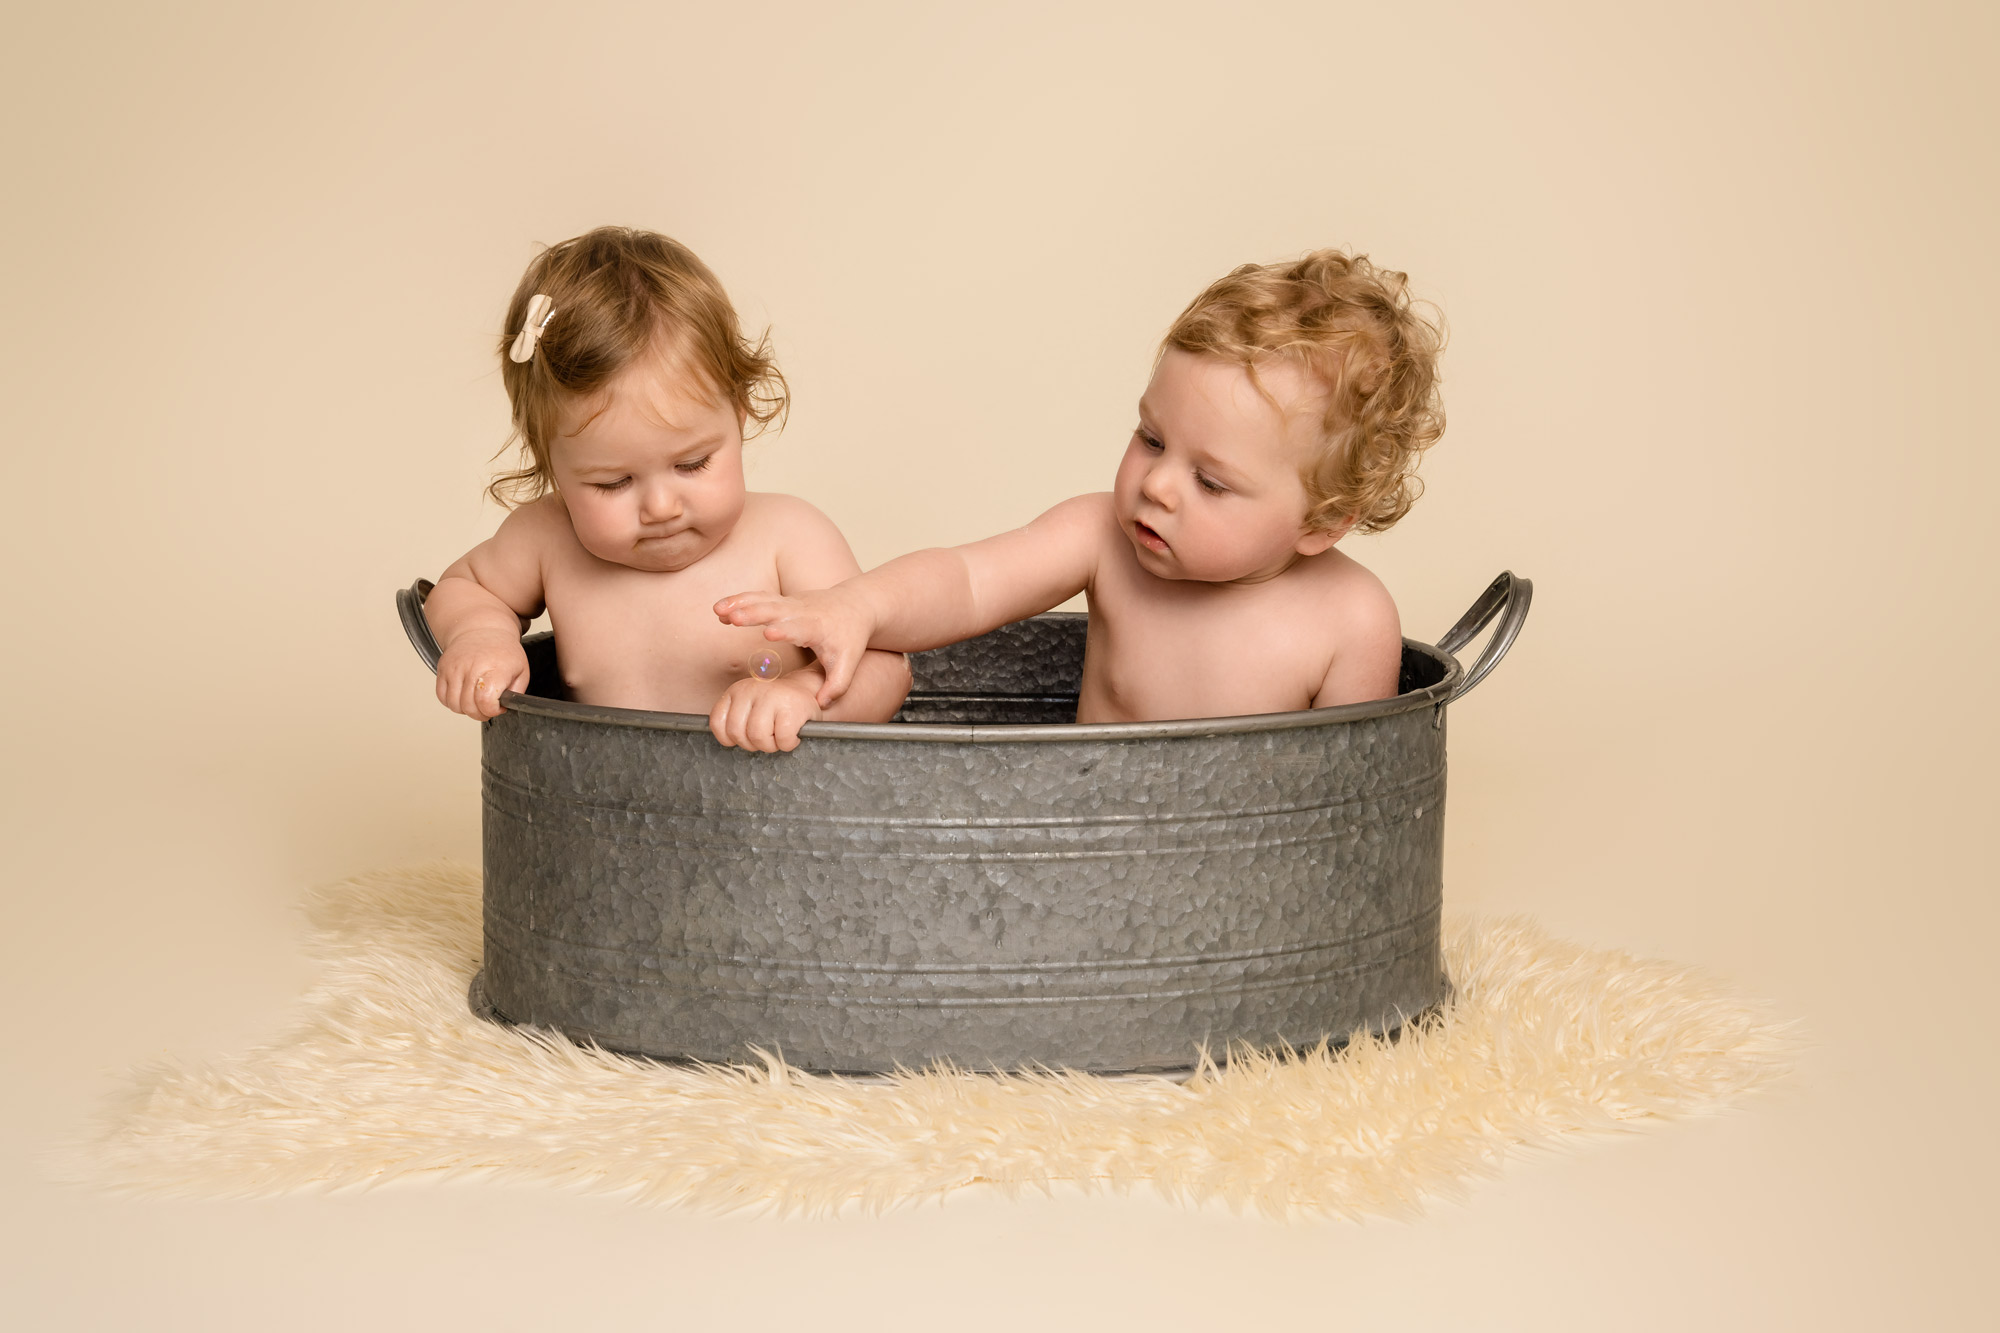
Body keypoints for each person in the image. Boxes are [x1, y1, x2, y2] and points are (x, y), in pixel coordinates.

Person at [715, 251, 1443, 722]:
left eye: (1212, 482)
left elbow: (1353, 808)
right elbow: (968, 581)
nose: (1157, 485)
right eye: (1150, 439)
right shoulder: (1103, 537)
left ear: (1321, 522)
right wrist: (857, 606)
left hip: (1247, 897)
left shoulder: (1351, 620)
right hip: (1084, 866)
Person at [425, 227, 911, 751]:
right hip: (597, 815)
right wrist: (480, 636)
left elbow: (886, 666)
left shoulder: (789, 538)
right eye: (612, 482)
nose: (660, 507)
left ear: (739, 418)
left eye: (693, 463)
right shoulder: (547, 537)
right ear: (553, 466)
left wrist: (808, 694)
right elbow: (461, 589)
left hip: (774, 823)